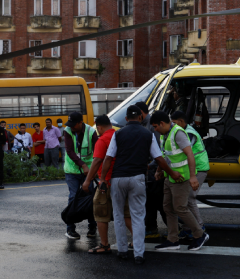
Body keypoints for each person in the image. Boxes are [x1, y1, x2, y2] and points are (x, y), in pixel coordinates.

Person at [100, 105, 180, 264]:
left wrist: (102, 179)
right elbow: (159, 158)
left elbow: (108, 158)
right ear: (140, 117)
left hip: (118, 178)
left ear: (126, 118)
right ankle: (139, 253)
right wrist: (172, 173)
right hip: (137, 178)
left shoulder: (118, 134)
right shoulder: (148, 134)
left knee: (118, 215)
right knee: (137, 216)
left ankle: (122, 251)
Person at [152, 111, 209, 252]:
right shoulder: (164, 135)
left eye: (155, 126)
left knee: (180, 208)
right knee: (168, 208)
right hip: (170, 177)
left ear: (162, 123)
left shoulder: (178, 133)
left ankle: (200, 234)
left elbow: (190, 154)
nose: (155, 129)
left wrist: (193, 177)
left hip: (181, 177)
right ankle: (173, 240)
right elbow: (165, 156)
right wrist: (159, 171)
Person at [82, 115, 133, 254]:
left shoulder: (102, 140)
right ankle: (136, 240)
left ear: (99, 127)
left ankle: (104, 245)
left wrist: (87, 181)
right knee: (126, 213)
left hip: (107, 182)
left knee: (100, 212)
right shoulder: (120, 136)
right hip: (123, 180)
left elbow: (97, 160)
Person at [170, 111, 209, 240]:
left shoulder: (188, 133)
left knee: (190, 197)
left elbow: (186, 151)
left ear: (181, 121)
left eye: (174, 123)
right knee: (185, 199)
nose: (172, 125)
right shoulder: (182, 131)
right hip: (192, 168)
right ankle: (188, 228)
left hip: (199, 168)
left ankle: (199, 227)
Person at [63, 112, 98, 239]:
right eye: (70, 124)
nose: (71, 127)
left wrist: (92, 169)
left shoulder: (91, 132)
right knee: (73, 197)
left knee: (90, 198)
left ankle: (92, 227)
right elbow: (70, 150)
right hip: (72, 170)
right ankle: (70, 229)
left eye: (73, 124)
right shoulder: (67, 131)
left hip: (88, 171)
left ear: (80, 123)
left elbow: (97, 151)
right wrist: (82, 165)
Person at [135, 101, 166, 238]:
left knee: (157, 200)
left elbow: (159, 151)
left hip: (154, 168)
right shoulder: (143, 125)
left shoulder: (152, 126)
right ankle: (152, 228)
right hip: (150, 167)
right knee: (151, 200)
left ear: (141, 113)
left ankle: (170, 228)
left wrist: (152, 166)